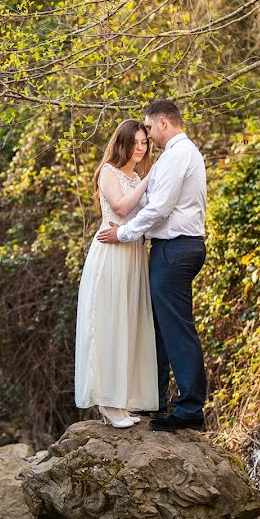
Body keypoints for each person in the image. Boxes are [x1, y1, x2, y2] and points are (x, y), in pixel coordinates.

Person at [96, 99, 208, 431]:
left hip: (175, 249)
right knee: (159, 329)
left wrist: (125, 234)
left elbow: (158, 208)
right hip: (172, 249)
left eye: (148, 129)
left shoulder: (177, 155)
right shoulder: (179, 155)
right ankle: (155, 401)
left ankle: (188, 409)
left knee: (176, 329)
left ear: (162, 123)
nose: (147, 138)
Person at [75, 119, 160, 428]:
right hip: (111, 255)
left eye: (145, 142)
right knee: (109, 323)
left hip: (133, 256)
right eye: (137, 142)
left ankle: (122, 402)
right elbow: (121, 209)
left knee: (129, 324)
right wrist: (148, 180)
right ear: (123, 143)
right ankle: (108, 402)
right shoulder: (109, 173)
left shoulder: (136, 177)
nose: (142, 147)